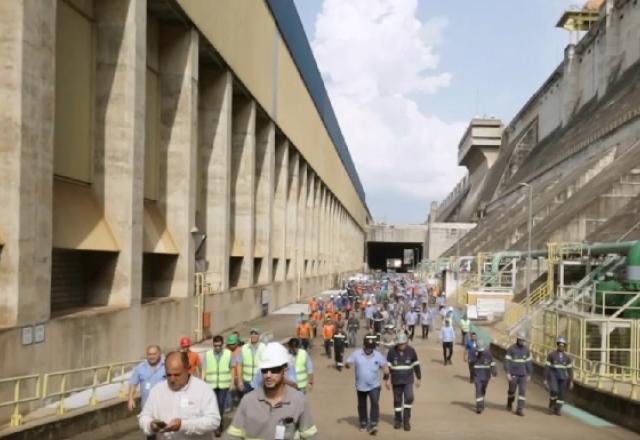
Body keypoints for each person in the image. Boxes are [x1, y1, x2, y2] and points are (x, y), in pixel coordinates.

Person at [227, 342, 318, 440]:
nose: (268, 375)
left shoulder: (299, 401)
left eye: (274, 370)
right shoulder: (248, 401)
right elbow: (234, 436)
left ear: (285, 369)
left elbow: (310, 436)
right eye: (265, 370)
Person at [139, 352, 220, 439]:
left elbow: (214, 421)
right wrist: (150, 425)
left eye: (177, 375)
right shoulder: (157, 391)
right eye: (168, 375)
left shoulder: (203, 390)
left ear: (188, 369)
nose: (172, 379)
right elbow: (144, 416)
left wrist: (183, 425)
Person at [345, 336, 390, 436]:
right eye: (368, 346)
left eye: (371, 347)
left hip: (374, 385)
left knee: (374, 402)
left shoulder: (378, 355)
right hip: (360, 385)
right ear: (364, 345)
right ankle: (363, 422)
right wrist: (347, 365)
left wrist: (386, 378)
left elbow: (385, 367)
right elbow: (348, 362)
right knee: (361, 405)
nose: (369, 349)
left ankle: (373, 423)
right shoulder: (356, 354)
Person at [386, 333, 421, 431]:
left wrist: (419, 378)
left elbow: (416, 364)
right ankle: (398, 420)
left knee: (409, 398)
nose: (402, 346)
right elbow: (387, 367)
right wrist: (387, 379)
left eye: (403, 344)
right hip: (396, 380)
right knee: (397, 401)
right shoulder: (391, 352)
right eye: (400, 344)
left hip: (408, 380)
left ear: (406, 342)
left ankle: (406, 421)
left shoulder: (411, 351)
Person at [128, 344, 165, 435]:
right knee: (150, 433)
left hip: (164, 406)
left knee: (165, 433)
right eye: (149, 354)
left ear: (159, 353)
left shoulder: (166, 366)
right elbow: (133, 383)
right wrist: (130, 399)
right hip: (147, 407)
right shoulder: (140, 368)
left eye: (154, 354)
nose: (152, 356)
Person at [203, 335, 234, 437]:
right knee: (213, 406)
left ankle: (218, 427)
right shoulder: (208, 355)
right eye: (215, 346)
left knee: (220, 406)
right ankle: (215, 425)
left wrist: (232, 382)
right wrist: (202, 382)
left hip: (223, 385)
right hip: (211, 385)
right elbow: (204, 370)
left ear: (222, 345)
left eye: (219, 346)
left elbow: (232, 369)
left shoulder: (228, 354)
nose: (217, 348)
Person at [505, 331, 532, 416]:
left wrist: (529, 374)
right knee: (512, 391)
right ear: (517, 339)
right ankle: (509, 402)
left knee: (522, 391)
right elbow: (507, 361)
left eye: (523, 340)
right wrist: (508, 373)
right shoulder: (511, 349)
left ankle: (519, 409)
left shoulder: (526, 350)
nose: (522, 342)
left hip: (523, 375)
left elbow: (528, 363)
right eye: (520, 340)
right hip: (513, 374)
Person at [544, 336, 573, 416]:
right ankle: (552, 406)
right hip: (554, 376)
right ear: (557, 345)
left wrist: (571, 381)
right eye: (560, 345)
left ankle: (558, 409)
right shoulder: (551, 355)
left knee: (561, 394)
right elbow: (547, 367)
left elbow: (570, 370)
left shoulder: (567, 358)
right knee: (554, 390)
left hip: (563, 378)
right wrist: (545, 378)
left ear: (565, 347)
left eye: (563, 345)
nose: (561, 347)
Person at [238, 328, 266, 395]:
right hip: (247, 382)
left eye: (255, 334)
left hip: (259, 382)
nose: (253, 335)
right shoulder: (244, 348)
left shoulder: (264, 347)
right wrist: (240, 381)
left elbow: (267, 365)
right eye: (252, 334)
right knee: (248, 402)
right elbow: (240, 365)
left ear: (259, 336)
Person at [472, 341, 497, 414]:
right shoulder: (474, 353)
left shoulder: (488, 354)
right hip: (477, 376)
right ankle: (479, 407)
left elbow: (492, 364)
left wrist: (494, 373)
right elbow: (471, 364)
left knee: (483, 390)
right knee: (478, 390)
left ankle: (481, 402)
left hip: (486, 376)